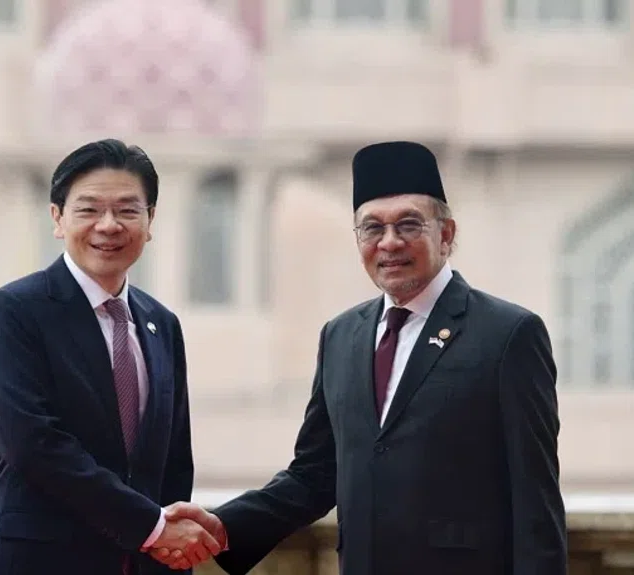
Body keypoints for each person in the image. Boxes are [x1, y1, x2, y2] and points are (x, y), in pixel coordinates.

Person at [158, 141, 567, 574]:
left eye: (408, 224)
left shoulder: (507, 334)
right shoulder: (341, 336)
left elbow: (535, 501)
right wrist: (225, 526)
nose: (389, 242)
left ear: (446, 234)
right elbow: (315, 473)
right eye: (372, 228)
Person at [0, 139, 220, 575]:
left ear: (150, 220)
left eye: (127, 210)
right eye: (89, 209)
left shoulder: (162, 324)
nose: (108, 225)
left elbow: (173, 463)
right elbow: (35, 446)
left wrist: (172, 554)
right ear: (58, 218)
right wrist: (151, 527)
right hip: (36, 563)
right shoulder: (15, 311)